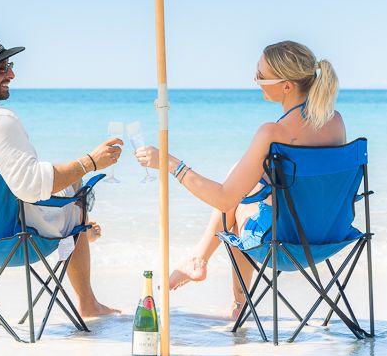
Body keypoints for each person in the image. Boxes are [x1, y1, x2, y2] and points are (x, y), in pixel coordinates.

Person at [135, 40, 345, 317]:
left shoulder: (272, 133)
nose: (256, 81)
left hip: (284, 246)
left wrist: (169, 163)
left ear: (286, 86)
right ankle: (199, 261)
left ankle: (233, 297)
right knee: (243, 180)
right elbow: (313, 188)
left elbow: (223, 198)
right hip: (331, 237)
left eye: (261, 75)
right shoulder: (336, 121)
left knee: (232, 211)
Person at [0, 30, 121, 317]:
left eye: (10, 66)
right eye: (1, 68)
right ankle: (86, 288)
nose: (11, 75)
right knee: (77, 190)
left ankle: (78, 236)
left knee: (58, 191)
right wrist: (91, 161)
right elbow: (29, 188)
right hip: (18, 242)